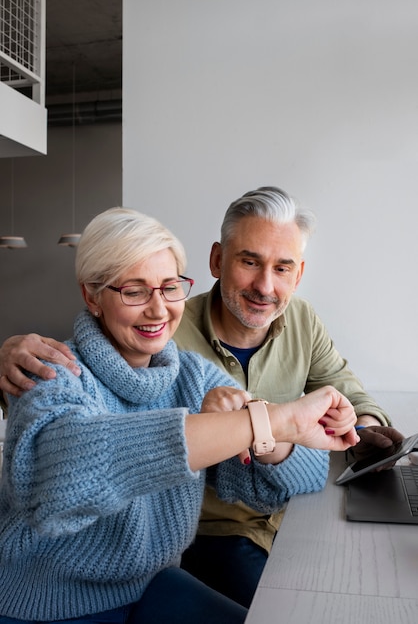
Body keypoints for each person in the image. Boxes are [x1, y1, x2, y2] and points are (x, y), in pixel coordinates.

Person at [0, 188, 403, 608]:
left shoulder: (189, 374)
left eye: (170, 287)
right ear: (92, 296)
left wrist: (278, 433)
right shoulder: (51, 372)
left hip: (151, 586)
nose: (158, 310)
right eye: (134, 291)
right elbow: (66, 471)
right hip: (46, 603)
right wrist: (261, 423)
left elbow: (305, 473)